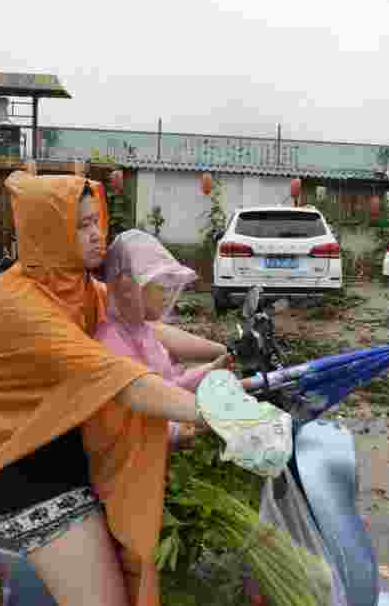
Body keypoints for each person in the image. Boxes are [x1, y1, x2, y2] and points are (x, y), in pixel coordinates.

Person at [0, 172, 227, 606]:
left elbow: (146, 326)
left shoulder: (78, 286)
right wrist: (217, 412)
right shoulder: (21, 306)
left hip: (69, 447)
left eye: (97, 221)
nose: (97, 234)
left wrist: (224, 349)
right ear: (49, 231)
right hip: (22, 469)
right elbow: (122, 380)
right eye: (82, 225)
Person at [84, 229, 231, 602]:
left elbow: (170, 386)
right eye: (159, 284)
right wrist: (183, 431)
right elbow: (129, 420)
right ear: (128, 287)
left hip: (156, 464)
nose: (167, 293)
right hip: (127, 478)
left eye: (169, 284)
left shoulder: (143, 331)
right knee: (139, 569)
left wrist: (214, 369)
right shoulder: (111, 342)